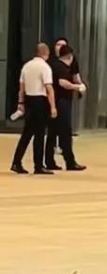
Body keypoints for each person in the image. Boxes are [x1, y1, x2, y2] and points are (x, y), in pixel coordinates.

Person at [11, 43, 57, 176]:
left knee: (26, 134)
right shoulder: (45, 67)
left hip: (29, 100)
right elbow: (49, 88)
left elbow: (21, 87)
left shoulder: (26, 66)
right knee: (39, 135)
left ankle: (16, 162)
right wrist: (53, 107)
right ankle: (38, 165)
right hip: (40, 101)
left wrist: (21, 103)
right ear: (46, 53)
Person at [44, 45, 86, 172]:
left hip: (57, 102)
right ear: (69, 56)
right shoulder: (60, 67)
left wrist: (79, 84)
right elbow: (62, 83)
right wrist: (76, 87)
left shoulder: (57, 65)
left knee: (53, 132)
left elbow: (76, 76)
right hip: (61, 102)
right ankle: (70, 162)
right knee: (65, 132)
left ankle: (50, 161)